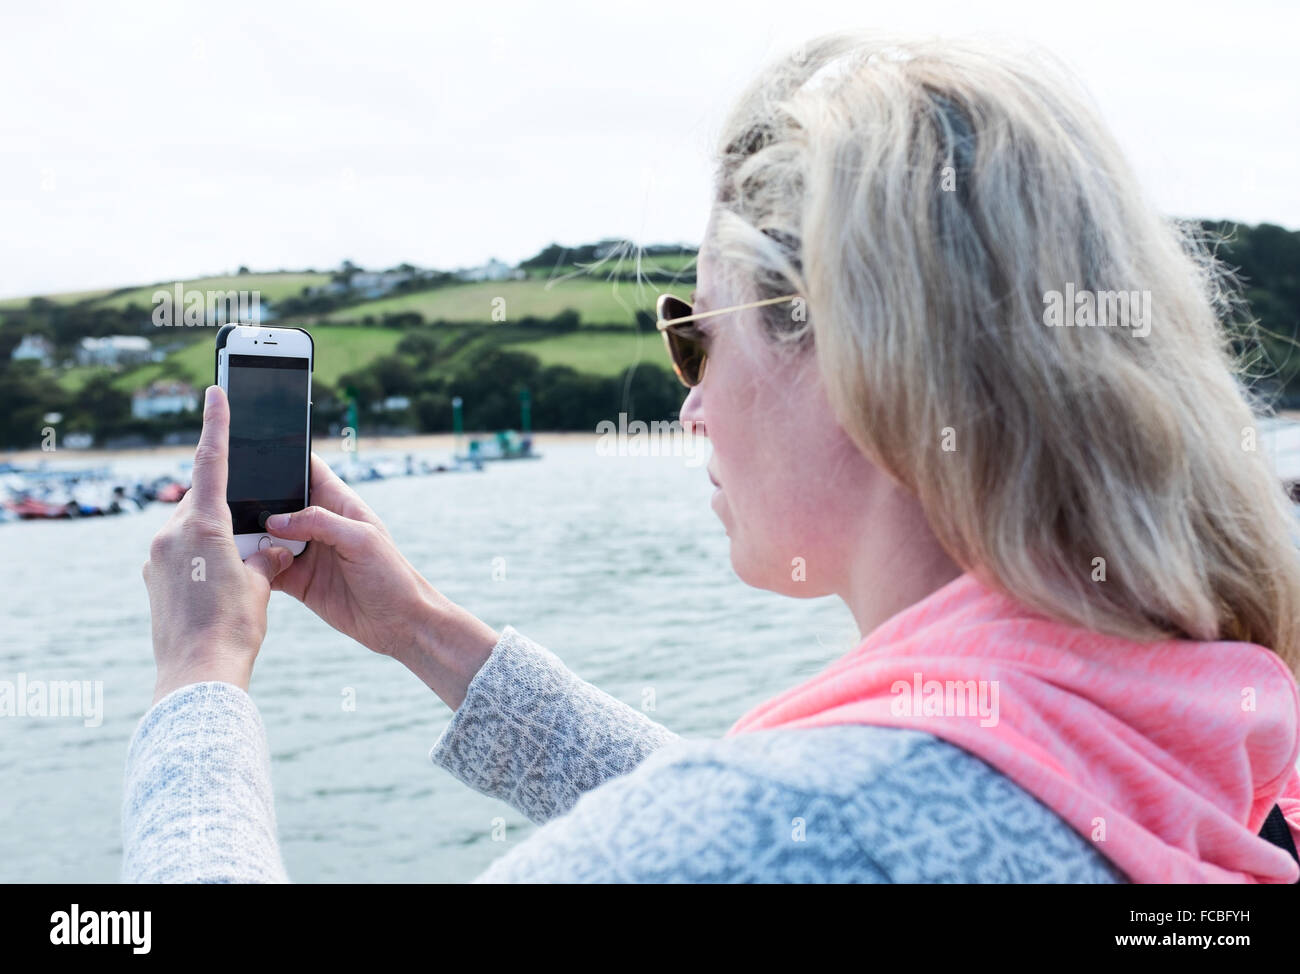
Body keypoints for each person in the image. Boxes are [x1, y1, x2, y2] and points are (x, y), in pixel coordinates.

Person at [123, 31, 1300, 883]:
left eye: (696, 330)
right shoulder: (1204, 727)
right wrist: (422, 627)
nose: (691, 408)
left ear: (858, 358)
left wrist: (198, 683)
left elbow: (748, 836)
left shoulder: (756, 832)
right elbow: (795, 827)